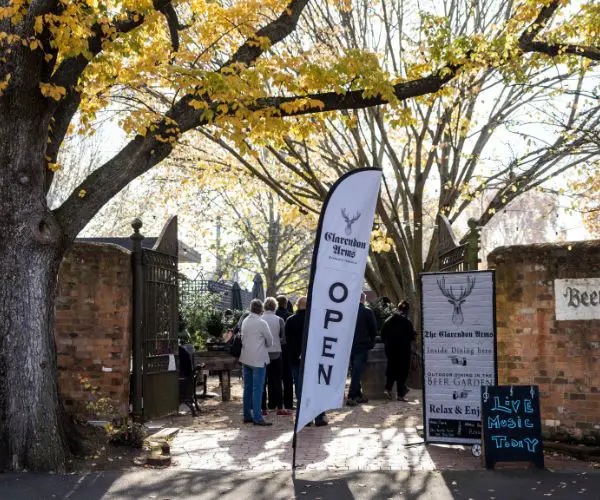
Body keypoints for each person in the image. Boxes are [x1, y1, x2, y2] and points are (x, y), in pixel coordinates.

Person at [285, 296, 327, 426]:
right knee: (315, 387)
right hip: (313, 359)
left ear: (297, 306)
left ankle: (305, 418)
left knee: (300, 389)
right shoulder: (315, 320)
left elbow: (288, 341)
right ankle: (319, 417)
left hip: (296, 360)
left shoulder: (290, 321)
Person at [239, 299, 274, 426]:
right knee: (258, 389)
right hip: (258, 359)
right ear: (261, 309)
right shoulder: (262, 322)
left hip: (245, 358)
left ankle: (247, 415)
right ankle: (258, 418)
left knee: (247, 388)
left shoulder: (245, 321)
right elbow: (270, 341)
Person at [261, 297, 291, 416]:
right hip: (277, 353)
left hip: (263, 353)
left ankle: (263, 408)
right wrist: (276, 340)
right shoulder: (279, 320)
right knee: (277, 380)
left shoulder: (260, 319)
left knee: (263, 381)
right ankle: (279, 407)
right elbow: (284, 340)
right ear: (275, 307)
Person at [381, 300, 416, 401]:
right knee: (402, 372)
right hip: (403, 351)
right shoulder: (407, 322)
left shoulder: (388, 320)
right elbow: (411, 337)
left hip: (391, 350)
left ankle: (388, 389)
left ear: (398, 308)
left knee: (391, 368)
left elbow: (382, 334)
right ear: (407, 310)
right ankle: (400, 395)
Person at [347, 293, 377, 406]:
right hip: (362, 345)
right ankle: (351, 396)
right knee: (357, 372)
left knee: (354, 370)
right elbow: (373, 329)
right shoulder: (367, 312)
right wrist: (372, 341)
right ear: (363, 300)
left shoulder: (348, 311)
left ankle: (358, 395)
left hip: (349, 345)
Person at [276, 295, 295, 410]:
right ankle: (288, 403)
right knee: (288, 377)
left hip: (273, 350)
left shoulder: (272, 316)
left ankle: (275, 402)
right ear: (286, 303)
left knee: (275, 377)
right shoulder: (289, 317)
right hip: (287, 350)